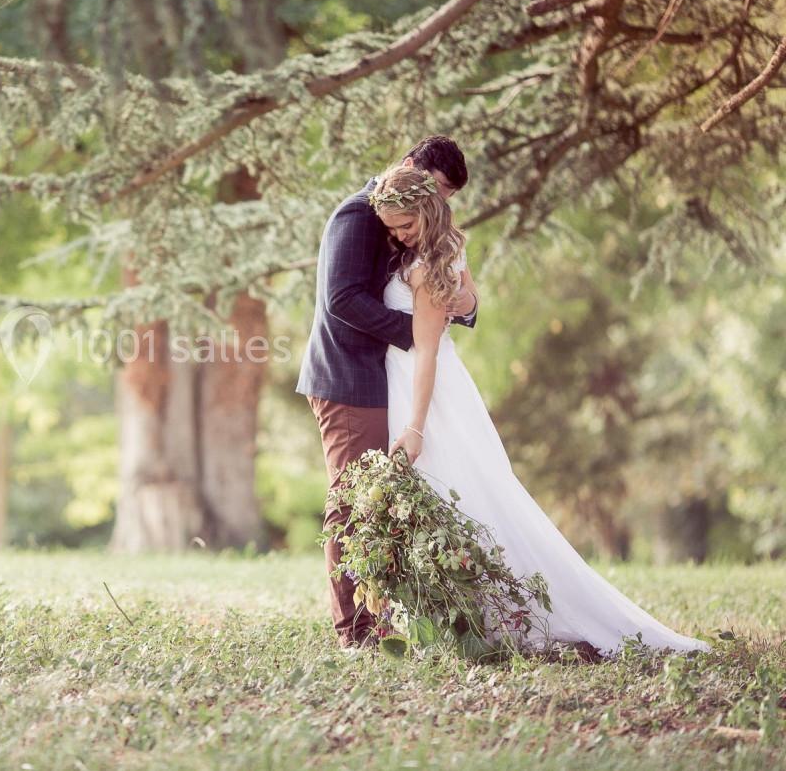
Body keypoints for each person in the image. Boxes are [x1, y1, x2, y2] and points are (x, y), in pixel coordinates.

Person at [371, 162, 708, 656]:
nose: (398, 236)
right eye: (391, 229)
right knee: (453, 498)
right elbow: (466, 302)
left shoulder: (424, 267)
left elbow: (426, 351)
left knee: (456, 495)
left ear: (427, 209)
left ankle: (494, 616)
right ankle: (455, 615)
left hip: (425, 392)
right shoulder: (444, 249)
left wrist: (415, 427)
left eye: (405, 225)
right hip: (429, 384)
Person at [296, 135, 478, 649]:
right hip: (348, 377)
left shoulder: (415, 222)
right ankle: (353, 630)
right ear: (408, 167)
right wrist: (417, 334)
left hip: (387, 378)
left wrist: (454, 307)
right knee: (352, 503)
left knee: (382, 505)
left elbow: (452, 292)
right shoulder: (358, 217)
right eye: (437, 189)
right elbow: (342, 299)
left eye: (447, 197)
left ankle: (384, 620)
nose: (440, 203)